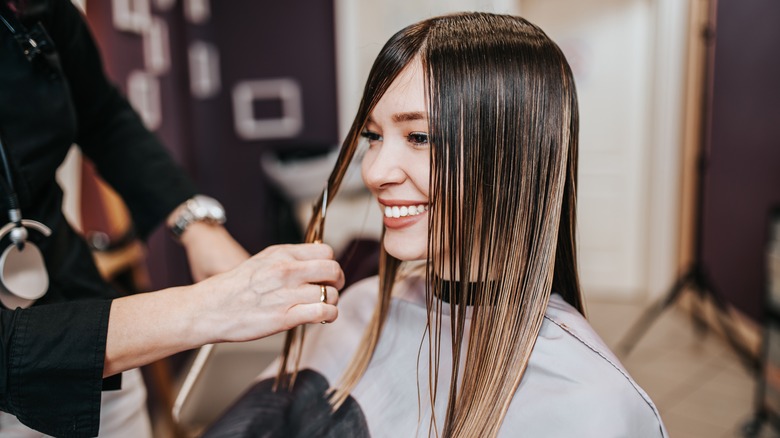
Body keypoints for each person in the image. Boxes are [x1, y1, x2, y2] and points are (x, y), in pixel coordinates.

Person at [203, 12, 668, 438]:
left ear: (515, 156)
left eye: (420, 136)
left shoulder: (589, 401)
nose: (376, 171)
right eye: (373, 136)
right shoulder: (360, 310)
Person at [0, 0, 344, 437]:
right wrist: (210, 307)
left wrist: (193, 222)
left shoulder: (37, 11)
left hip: (75, 307)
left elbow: (103, 116)